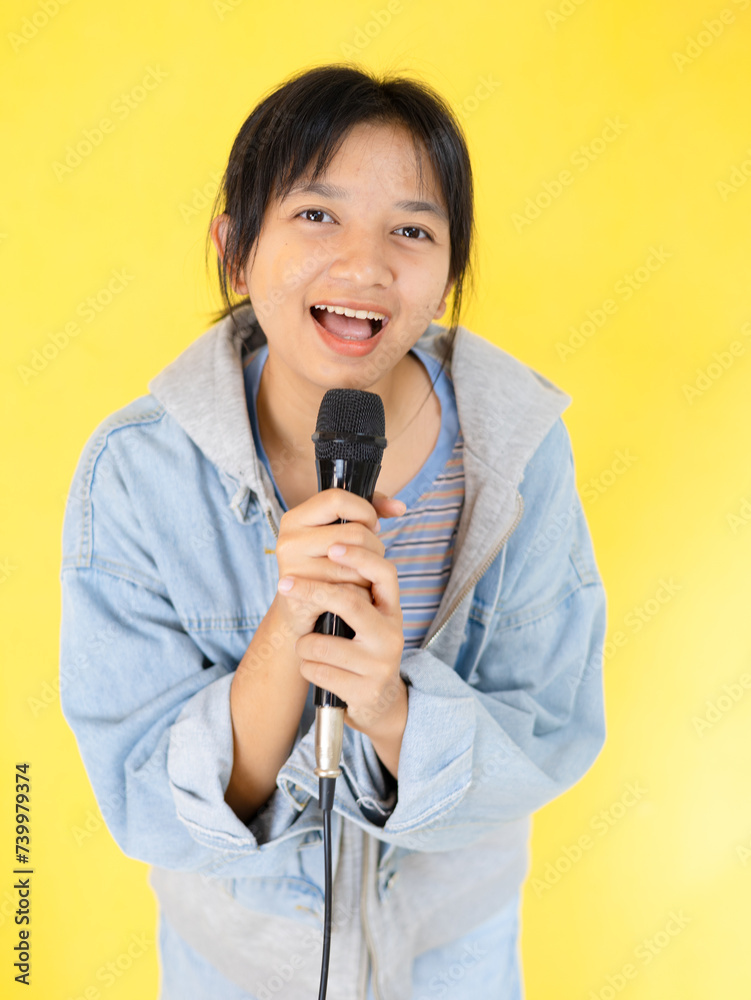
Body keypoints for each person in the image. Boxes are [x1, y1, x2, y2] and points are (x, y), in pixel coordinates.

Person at [60, 63, 607, 999]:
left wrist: (392, 709)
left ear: (447, 269)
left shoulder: (514, 453)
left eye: (411, 229)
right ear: (236, 247)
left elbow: (551, 731)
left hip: (452, 959)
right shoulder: (138, 473)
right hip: (236, 965)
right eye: (317, 215)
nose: (365, 265)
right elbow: (144, 801)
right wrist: (291, 627)